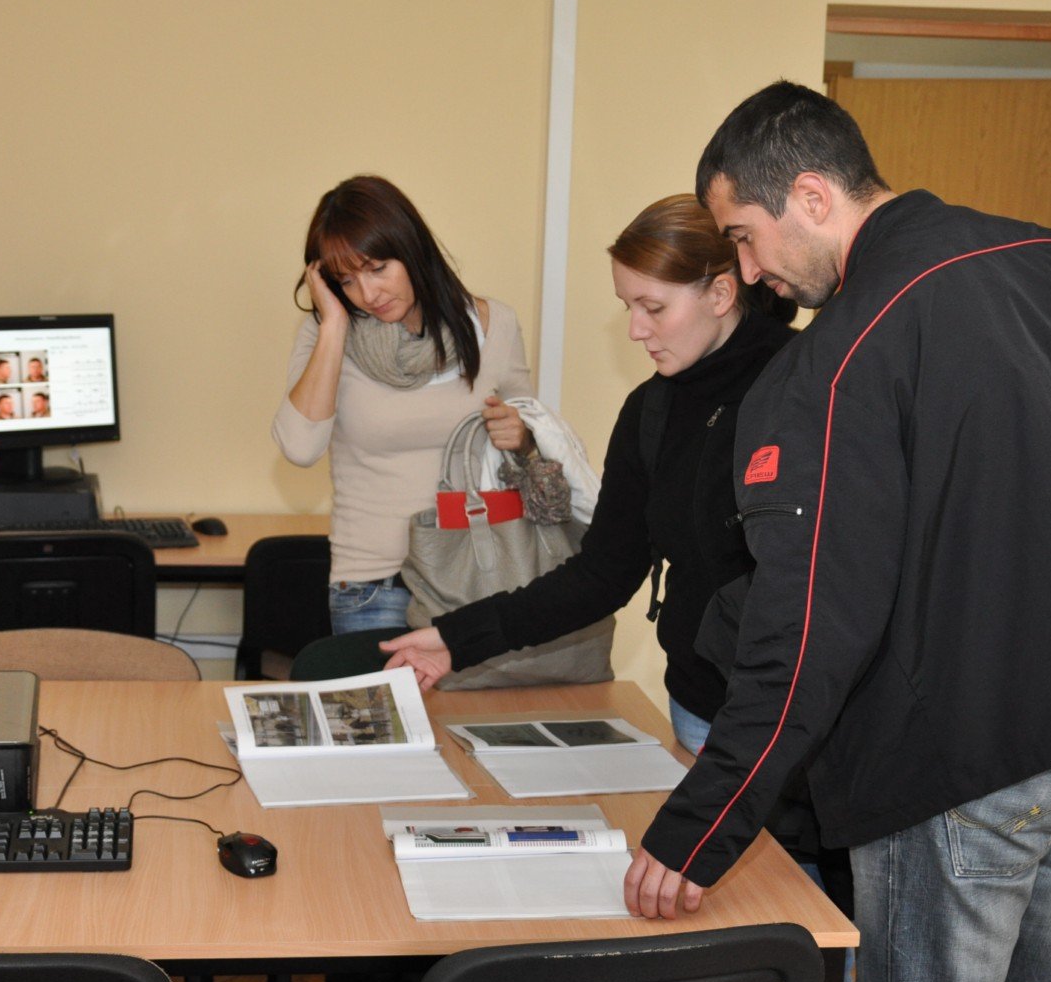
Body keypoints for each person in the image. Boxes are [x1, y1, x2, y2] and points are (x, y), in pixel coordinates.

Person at [623, 81, 1051, 982]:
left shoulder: (837, 356)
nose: (748, 271)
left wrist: (697, 829)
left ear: (812, 196)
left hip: (958, 766)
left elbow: (804, 627)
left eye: (745, 236)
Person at [381, 193, 794, 757]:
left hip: (798, 721)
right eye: (628, 307)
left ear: (721, 294)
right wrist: (456, 639)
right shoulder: (651, 410)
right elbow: (603, 573)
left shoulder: (804, 388)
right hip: (700, 710)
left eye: (653, 308)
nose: (635, 330)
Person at [273, 175, 535, 636]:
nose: (367, 294)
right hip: (372, 586)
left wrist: (523, 435)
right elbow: (299, 447)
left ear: (411, 248)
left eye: (377, 268)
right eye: (346, 280)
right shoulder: (325, 336)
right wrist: (333, 326)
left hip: (474, 574)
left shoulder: (495, 324)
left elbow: (533, 437)